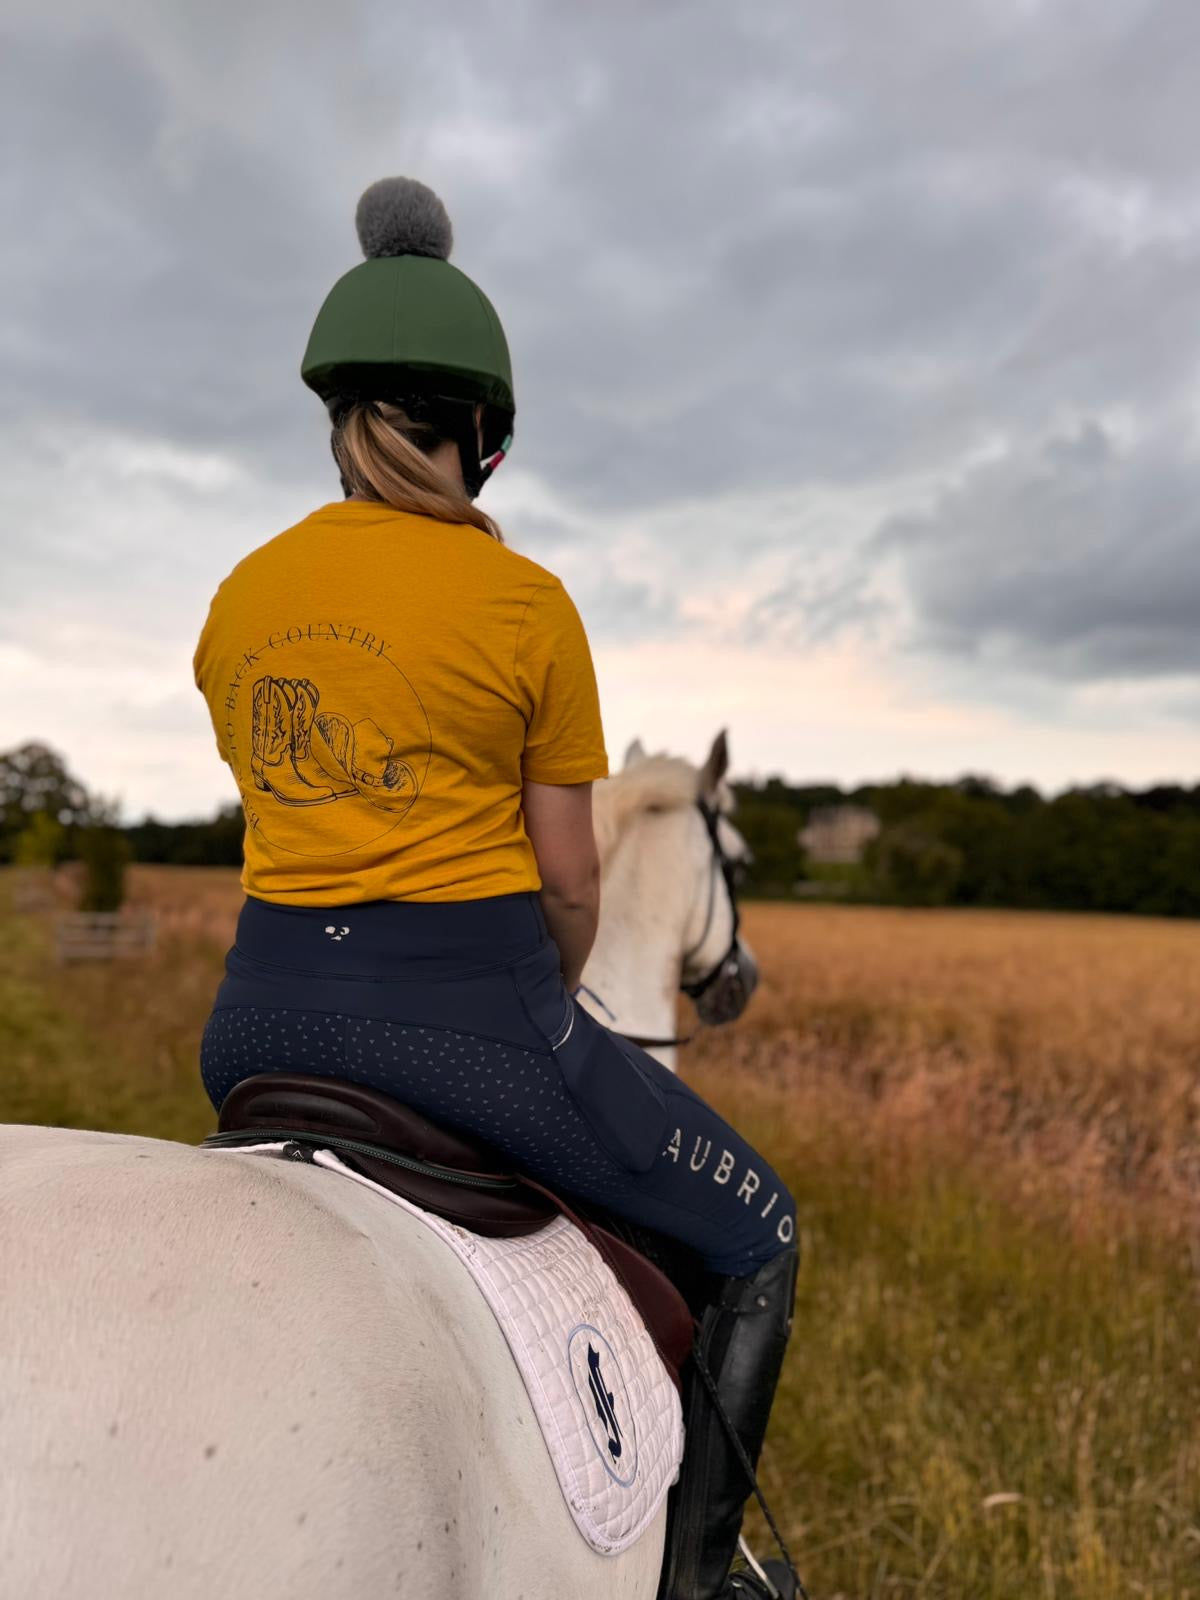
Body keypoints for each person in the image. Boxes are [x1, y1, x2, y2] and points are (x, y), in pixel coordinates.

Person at [193, 176, 798, 1600]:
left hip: (255, 1029)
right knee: (759, 1224)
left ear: (337, 421)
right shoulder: (527, 605)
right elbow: (570, 887)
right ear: (480, 438)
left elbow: (285, 803)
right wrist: (546, 977)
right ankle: (698, 1577)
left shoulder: (239, 597)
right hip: (470, 1030)